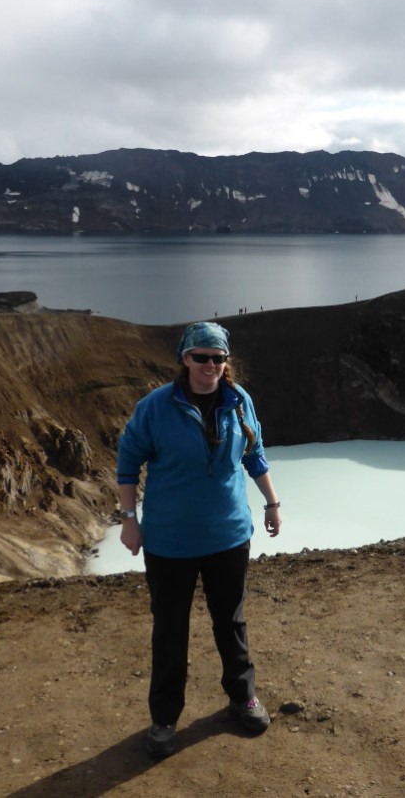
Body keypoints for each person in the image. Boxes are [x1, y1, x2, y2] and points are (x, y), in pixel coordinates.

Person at [116, 321, 282, 758]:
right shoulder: (156, 407)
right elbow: (129, 461)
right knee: (170, 629)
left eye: (218, 358)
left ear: (226, 362)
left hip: (228, 535)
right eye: (201, 357)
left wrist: (271, 502)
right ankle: (165, 718)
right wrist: (129, 519)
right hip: (170, 542)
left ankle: (242, 697)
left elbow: (254, 454)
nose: (210, 365)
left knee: (231, 621)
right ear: (184, 359)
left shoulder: (238, 400)